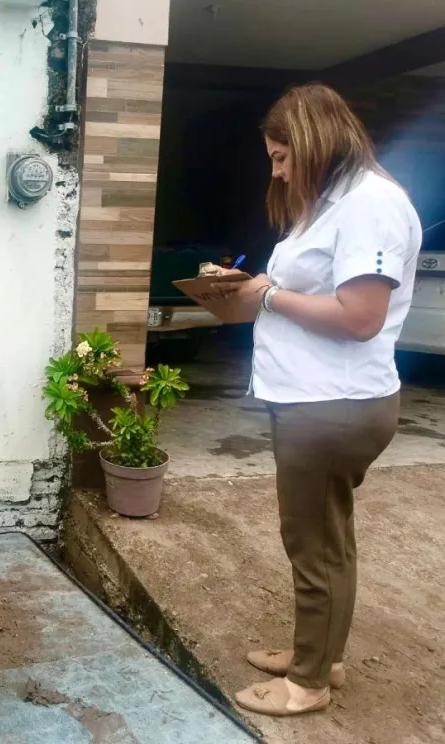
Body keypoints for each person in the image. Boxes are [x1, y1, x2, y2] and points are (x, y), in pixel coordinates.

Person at [215, 84, 421, 717]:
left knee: (314, 545)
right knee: (326, 541)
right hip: (315, 400)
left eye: (281, 156)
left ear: (312, 141)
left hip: (330, 405)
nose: (276, 170)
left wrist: (268, 296)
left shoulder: (370, 205)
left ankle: (308, 683)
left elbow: (360, 316)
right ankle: (319, 654)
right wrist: (258, 290)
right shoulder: (337, 203)